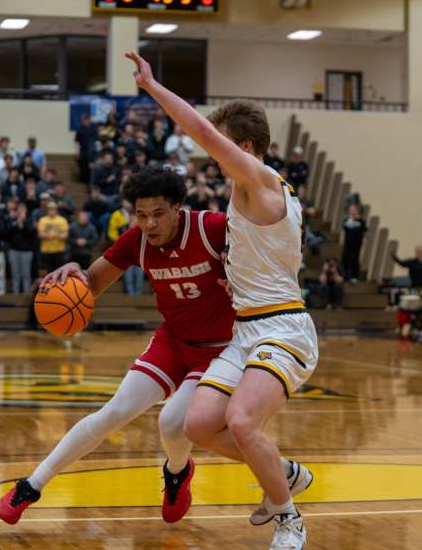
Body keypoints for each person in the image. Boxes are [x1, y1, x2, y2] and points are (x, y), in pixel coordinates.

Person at [124, 53, 316, 549]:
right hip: (247, 328)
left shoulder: (261, 183)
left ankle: (288, 519)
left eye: (221, 143)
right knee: (199, 424)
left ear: (245, 147)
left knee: (243, 420)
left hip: (282, 328)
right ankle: (283, 473)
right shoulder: (247, 193)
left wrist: (154, 88)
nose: (211, 151)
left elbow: (203, 134)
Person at [0, 167, 236, 526]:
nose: (149, 224)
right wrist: (75, 272)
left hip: (219, 349)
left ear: (177, 208)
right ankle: (31, 485)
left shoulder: (213, 228)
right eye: (141, 215)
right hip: (172, 341)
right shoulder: (136, 240)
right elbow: (91, 283)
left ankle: (177, 473)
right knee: (114, 411)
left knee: (172, 422)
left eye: (157, 214)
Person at [7, 203, 36, 294]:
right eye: (20, 209)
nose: (21, 211)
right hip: (14, 250)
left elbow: (31, 233)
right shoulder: (12, 220)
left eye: (23, 209)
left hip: (26, 251)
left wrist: (23, 223)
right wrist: (17, 223)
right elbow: (7, 233)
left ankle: (26, 293)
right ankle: (16, 293)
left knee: (26, 273)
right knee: (15, 273)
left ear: (26, 210)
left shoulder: (30, 220)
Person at [36, 202, 68, 274]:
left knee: (59, 272)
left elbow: (65, 235)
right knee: (45, 272)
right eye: (50, 209)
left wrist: (53, 236)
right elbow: (40, 234)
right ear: (47, 210)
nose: (52, 211)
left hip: (59, 250)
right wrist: (54, 236)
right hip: (46, 250)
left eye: (53, 209)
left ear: (56, 210)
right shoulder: (42, 220)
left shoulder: (62, 220)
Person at [341, 204, 367, 282]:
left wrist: (357, 219)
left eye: (354, 210)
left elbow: (364, 229)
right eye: (351, 210)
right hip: (348, 243)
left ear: (357, 211)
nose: (353, 211)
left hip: (357, 244)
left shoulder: (361, 221)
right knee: (345, 258)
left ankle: (354, 276)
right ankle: (345, 275)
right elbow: (344, 228)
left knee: (355, 259)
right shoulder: (347, 220)